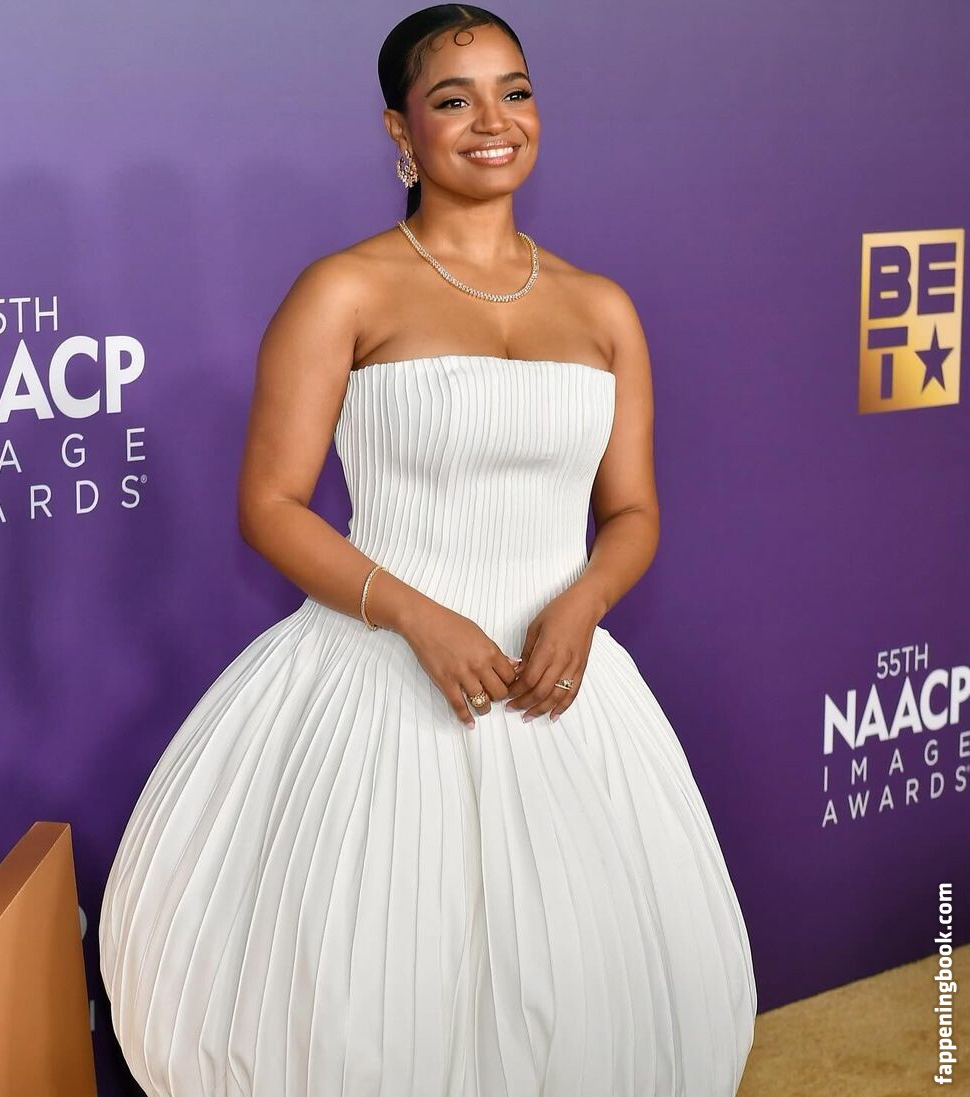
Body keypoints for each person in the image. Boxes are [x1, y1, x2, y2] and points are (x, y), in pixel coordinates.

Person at [98, 6, 757, 1095]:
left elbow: (634, 510)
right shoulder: (343, 289)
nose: (495, 121)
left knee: (592, 985)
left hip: (560, 682)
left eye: (516, 90)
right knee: (380, 979)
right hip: (386, 670)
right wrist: (416, 614)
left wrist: (584, 602)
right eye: (455, 99)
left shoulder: (603, 308)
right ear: (401, 131)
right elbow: (271, 504)